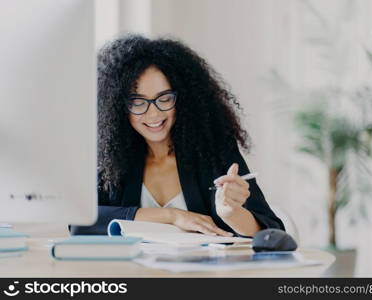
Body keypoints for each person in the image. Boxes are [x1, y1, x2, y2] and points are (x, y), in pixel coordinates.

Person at [70, 34, 285, 237]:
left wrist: (231, 214)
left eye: (164, 98)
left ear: (183, 98)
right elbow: (79, 222)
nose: (153, 113)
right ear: (117, 107)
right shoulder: (111, 160)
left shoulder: (213, 148)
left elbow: (272, 232)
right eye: (137, 102)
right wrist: (171, 216)